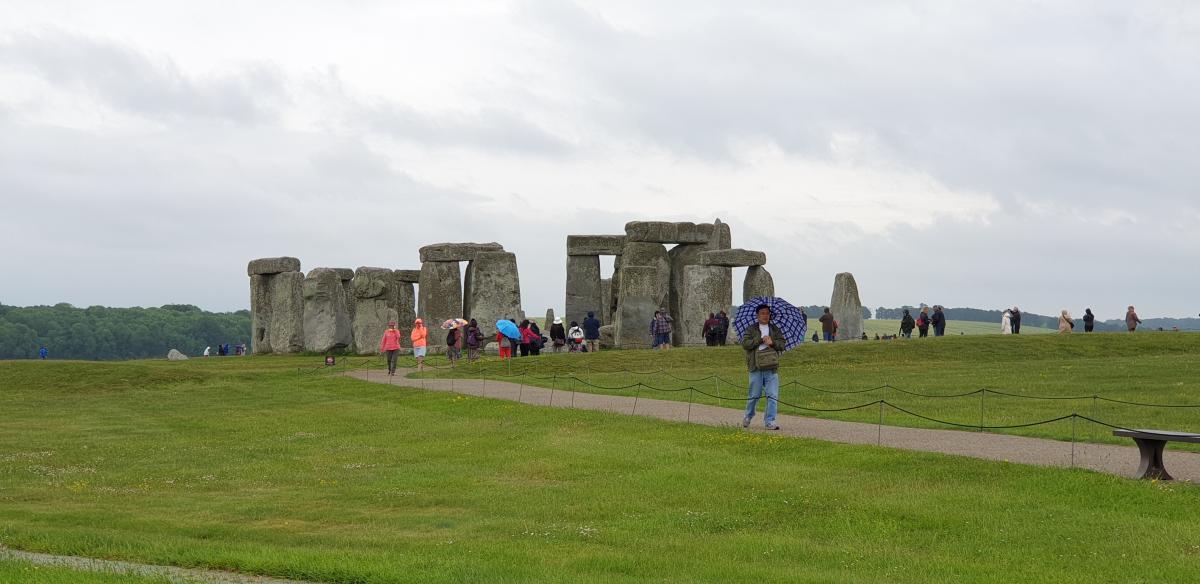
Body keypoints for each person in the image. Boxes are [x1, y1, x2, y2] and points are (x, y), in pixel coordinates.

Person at [741, 303, 785, 431]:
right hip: (756, 367)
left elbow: (782, 345)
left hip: (771, 367)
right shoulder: (751, 329)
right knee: (754, 394)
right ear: (757, 315)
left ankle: (770, 421)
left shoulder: (775, 329)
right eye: (763, 313)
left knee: (772, 395)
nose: (765, 316)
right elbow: (745, 344)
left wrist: (773, 343)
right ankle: (748, 416)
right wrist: (760, 340)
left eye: (767, 313)